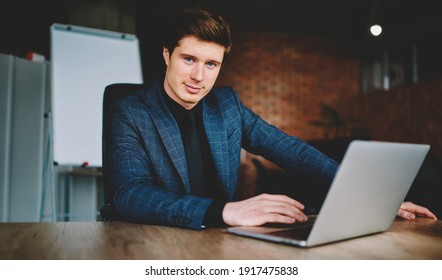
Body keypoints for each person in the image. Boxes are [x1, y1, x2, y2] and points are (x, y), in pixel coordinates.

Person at [106, 7, 437, 229]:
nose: (198, 75)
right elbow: (129, 193)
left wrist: (376, 196)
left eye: (211, 64)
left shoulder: (227, 106)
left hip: (217, 243)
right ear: (167, 55)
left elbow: (293, 151)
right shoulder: (131, 110)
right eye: (189, 59)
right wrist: (225, 210)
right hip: (153, 244)